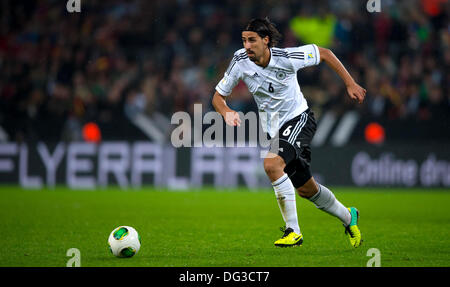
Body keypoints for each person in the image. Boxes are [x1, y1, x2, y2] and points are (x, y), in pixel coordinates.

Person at [212, 18, 366, 248]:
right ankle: (348, 216)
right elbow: (217, 97)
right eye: (244, 40)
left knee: (271, 164)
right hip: (276, 131)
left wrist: (350, 83)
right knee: (307, 190)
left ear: (266, 41)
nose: (247, 46)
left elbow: (325, 53)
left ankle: (293, 230)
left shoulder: (286, 57)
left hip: (300, 119)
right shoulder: (240, 61)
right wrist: (225, 112)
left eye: (252, 40)